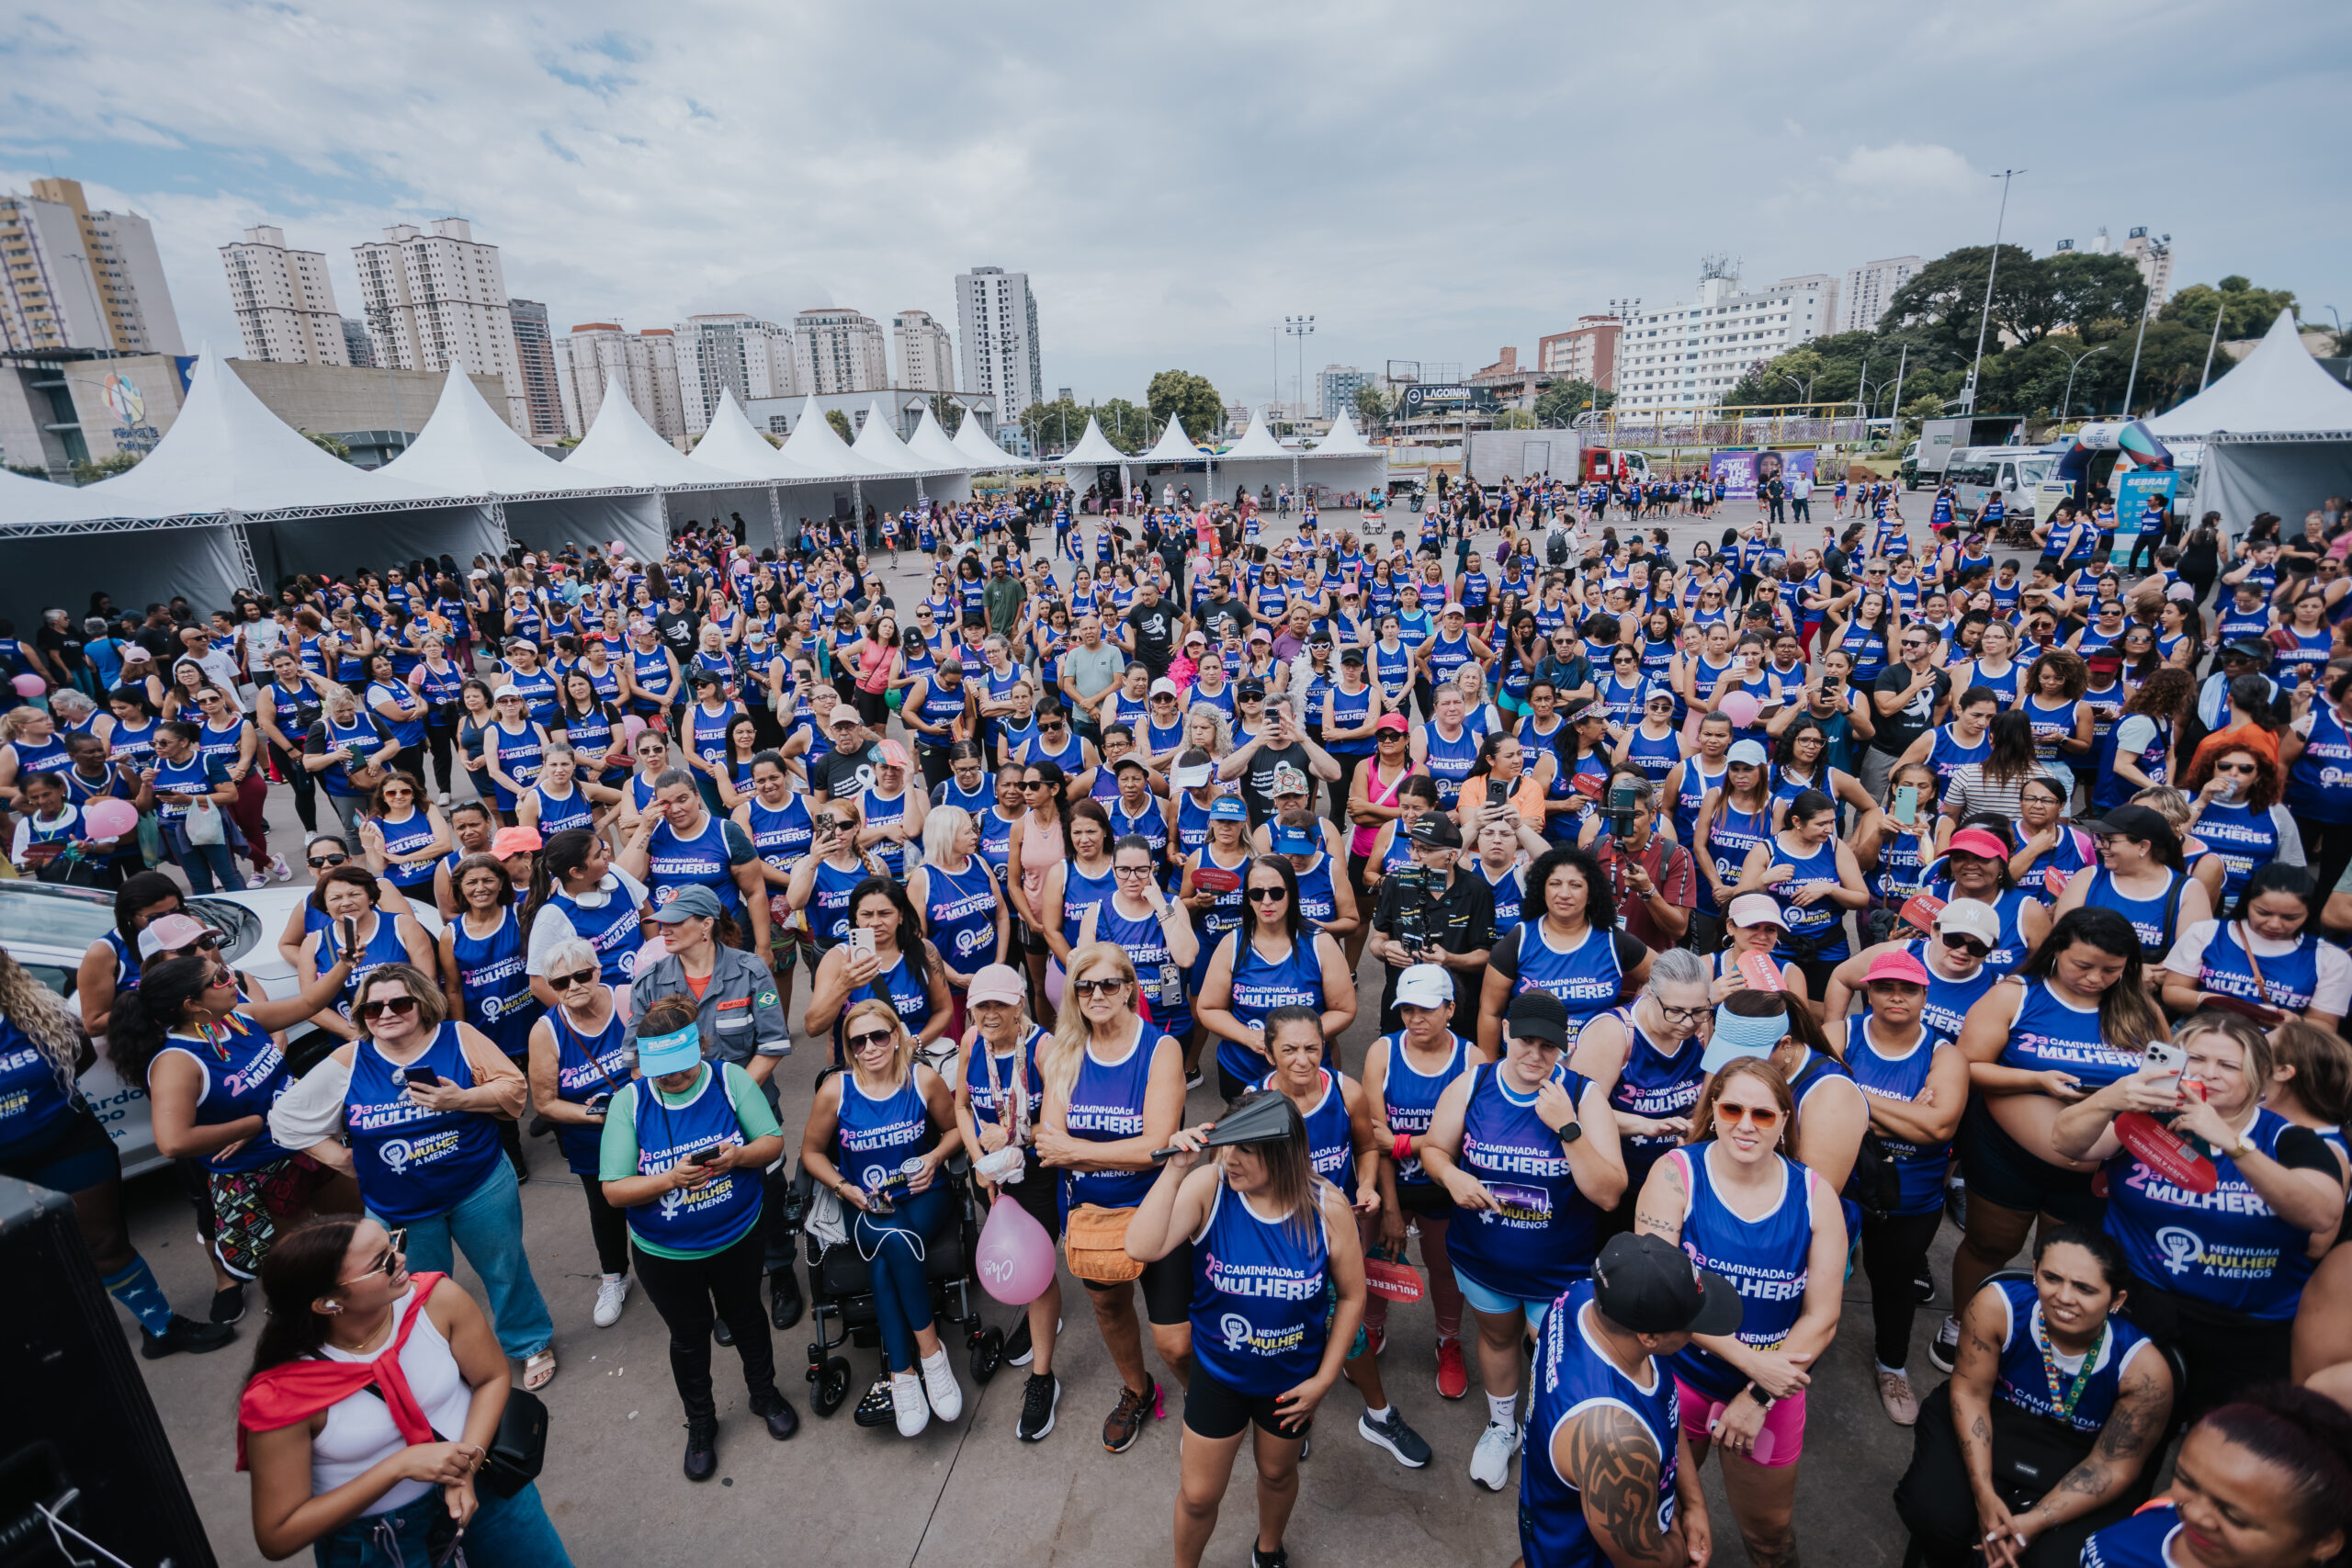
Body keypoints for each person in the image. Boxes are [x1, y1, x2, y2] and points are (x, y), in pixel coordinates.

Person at [266, 962, 558, 1391]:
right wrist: (344, 1161)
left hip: (478, 1186)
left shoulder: (458, 1037)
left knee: (505, 1268)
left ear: (422, 1003)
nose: (385, 1014)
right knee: (413, 1291)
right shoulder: (350, 1058)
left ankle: (529, 1341)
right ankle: (439, 1360)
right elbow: (286, 1120)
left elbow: (513, 1088)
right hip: (399, 1206)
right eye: (372, 1008)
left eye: (399, 1003)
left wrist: (463, 1097)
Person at [2052, 1009, 2346, 1424]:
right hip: (2139, 1303)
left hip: (2246, 1330)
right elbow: (2067, 1143)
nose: (2208, 1074)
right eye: (2196, 1059)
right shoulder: (2147, 1116)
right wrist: (2107, 1099)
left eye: (2228, 1065)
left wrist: (2230, 1143)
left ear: (2260, 1076)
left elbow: (2320, 1214)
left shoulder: (2288, 1138)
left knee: (2219, 1445)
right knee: (2114, 1426)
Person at [235, 1218, 577, 1565]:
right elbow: (277, 1536)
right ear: (328, 1303)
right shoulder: (281, 1394)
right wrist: (397, 1467)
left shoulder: (435, 1299)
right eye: (380, 1263)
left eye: (394, 1243)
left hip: (487, 1496)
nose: (399, 1259)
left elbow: (491, 1378)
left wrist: (468, 1469)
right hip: (380, 1542)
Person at [1125, 1089, 1366, 1568]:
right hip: (1219, 1376)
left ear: (1282, 1154)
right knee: (1197, 1495)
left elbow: (1354, 1295)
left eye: (1245, 1150)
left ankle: (1268, 1549)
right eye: (1226, 1145)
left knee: (1277, 1474)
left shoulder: (1327, 1207)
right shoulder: (1210, 1188)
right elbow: (1141, 1246)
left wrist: (1322, 1381)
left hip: (1291, 1384)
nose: (1229, 1159)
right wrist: (1175, 1169)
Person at [1634, 1056, 1846, 1568]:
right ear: (1712, 1112)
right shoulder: (1676, 1174)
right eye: (1731, 1109)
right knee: (1659, 1524)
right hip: (1680, 1379)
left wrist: (1757, 1393)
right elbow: (1660, 1297)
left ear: (1784, 1121)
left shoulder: (1815, 1196)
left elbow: (1822, 1317)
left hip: (1772, 1392)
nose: (1745, 1125)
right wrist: (1754, 1364)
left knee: (1769, 1536)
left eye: (1763, 1114)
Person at [1942, 908, 2166, 1374]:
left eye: (2111, 970)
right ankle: (1963, 1323)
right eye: (2082, 966)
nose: (2095, 978)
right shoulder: (2016, 995)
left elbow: (2164, 1077)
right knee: (1989, 1245)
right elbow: (1968, 1065)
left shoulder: (2139, 1009)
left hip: (2098, 1173)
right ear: (2056, 950)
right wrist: (2036, 1080)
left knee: (2067, 1259)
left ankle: (2045, 1334)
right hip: (2007, 1157)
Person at [1419, 989, 1627, 1493]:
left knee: (1558, 1356)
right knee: (1495, 1338)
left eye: (1549, 1047)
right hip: (1482, 1259)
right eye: (1526, 1041)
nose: (1535, 1056)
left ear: (1564, 1048)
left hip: (1558, 1271)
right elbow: (1432, 1148)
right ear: (1507, 1032)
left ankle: (1543, 1429)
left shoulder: (1583, 1095)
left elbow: (1609, 1194)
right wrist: (1451, 1177)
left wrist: (1569, 1129)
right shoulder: (1474, 1084)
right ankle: (1501, 1426)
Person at [0, 943, 235, 1356]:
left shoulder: (30, 1006)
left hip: (68, 1143)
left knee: (106, 1244)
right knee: (22, 1261)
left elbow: (81, 1053)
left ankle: (160, 1328)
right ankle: (50, 1347)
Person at [599, 995, 798, 1478]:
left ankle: (764, 1394)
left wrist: (737, 1157)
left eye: (683, 1069)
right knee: (688, 1338)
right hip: (666, 1254)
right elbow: (613, 1190)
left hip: (738, 1237)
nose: (673, 1080)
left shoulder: (730, 1080)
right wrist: (670, 1180)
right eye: (662, 1072)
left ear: (700, 1050)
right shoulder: (631, 1102)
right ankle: (701, 1423)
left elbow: (772, 1141)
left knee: (748, 1318)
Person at [1894, 1225, 2173, 1568]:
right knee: (1933, 1515)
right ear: (2036, 1271)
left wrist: (2038, 1520)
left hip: (2079, 1453)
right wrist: (1983, 1495)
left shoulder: (2143, 1369)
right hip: (1994, 1424)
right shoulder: (1997, 1307)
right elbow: (1969, 1394)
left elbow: (2114, 1464)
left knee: (2059, 1561)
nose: (2064, 1297)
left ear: (2117, 1300)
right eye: (2052, 1278)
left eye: (2084, 1288)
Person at [106, 950, 359, 1290]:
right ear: (192, 1004)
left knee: (363, 1227)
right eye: (220, 978)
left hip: (308, 1147)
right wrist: (253, 1125)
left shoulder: (238, 1019)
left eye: (225, 971)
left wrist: (345, 963)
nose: (233, 980)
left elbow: (308, 1003)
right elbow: (173, 1141)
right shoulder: (177, 1062)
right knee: (307, 1270)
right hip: (266, 1173)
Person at [1255, 1004, 1432, 1468]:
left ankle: (1378, 1415)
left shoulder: (1347, 1092)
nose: (1302, 1059)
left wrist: (1369, 1185)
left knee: (1348, 1331)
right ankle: (1289, 1420)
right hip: (1279, 1245)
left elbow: (1365, 1146)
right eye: (1289, 1049)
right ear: (1268, 1050)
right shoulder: (1256, 1106)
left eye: (1312, 1048)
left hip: (1339, 1238)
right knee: (1282, 1331)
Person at [1034, 941, 1190, 1455]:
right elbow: (1048, 1149)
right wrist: (1116, 1152)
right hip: (1089, 1215)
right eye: (1084, 985)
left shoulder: (1160, 1049)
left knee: (1175, 1341)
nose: (1096, 994)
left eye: (1108, 984)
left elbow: (1158, 1148)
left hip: (1158, 1210)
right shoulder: (1064, 1052)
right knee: (1109, 1307)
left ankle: (1202, 1396)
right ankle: (1139, 1391)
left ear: (1129, 989)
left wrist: (1080, 1149)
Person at [797, 996, 967, 1437]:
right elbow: (811, 1153)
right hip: (866, 1202)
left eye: (878, 1035)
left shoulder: (922, 1079)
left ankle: (903, 1373)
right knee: (893, 1243)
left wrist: (933, 1157)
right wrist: (842, 1187)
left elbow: (954, 1131)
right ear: (849, 1048)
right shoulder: (836, 1090)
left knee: (888, 1256)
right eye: (858, 1041)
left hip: (923, 1195)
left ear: (895, 1036)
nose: (870, 1046)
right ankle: (929, 1357)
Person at [1511, 1231, 1732, 1568]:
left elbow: (1666, 1406)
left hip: (1553, 1517)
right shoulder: (1612, 1438)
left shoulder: (1584, 1297)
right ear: (1651, 1338)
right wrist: (1678, 1542)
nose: (1695, 1335)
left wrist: (1695, 1503)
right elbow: (1646, 1562)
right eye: (1690, 1324)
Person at [951, 964, 1065, 1443]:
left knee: (1037, 1273)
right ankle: (1043, 1318)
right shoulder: (972, 1042)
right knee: (1014, 1261)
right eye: (982, 1005)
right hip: (992, 1173)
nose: (991, 1014)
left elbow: (1063, 1125)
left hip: (1039, 1173)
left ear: (1021, 1003)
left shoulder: (1044, 1049)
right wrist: (982, 1159)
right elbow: (960, 1105)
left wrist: (1017, 1136)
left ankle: (1044, 1378)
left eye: (1001, 1003)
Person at [2079, 1383, 2352, 1568]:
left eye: (2234, 1516)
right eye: (2187, 1481)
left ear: (2323, 1542)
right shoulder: (2153, 1520)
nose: (2195, 1514)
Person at [1361, 964, 1475, 1402]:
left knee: (1445, 1270)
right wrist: (1390, 1209)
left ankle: (1448, 1341)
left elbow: (1467, 1138)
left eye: (1426, 1008)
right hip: (1391, 1184)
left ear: (1450, 1008)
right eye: (1406, 1008)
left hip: (1444, 1188)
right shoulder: (1383, 1053)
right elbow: (1375, 1139)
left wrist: (1407, 1143)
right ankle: (1373, 1329)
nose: (1415, 1018)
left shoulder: (1471, 1060)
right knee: (1379, 1258)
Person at [525, 935, 638, 1329]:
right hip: (593, 1136)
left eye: (581, 975)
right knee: (604, 1210)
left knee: (660, 1196)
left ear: (597, 970)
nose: (573, 987)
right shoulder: (546, 1031)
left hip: (647, 1124)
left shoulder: (627, 1000)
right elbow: (545, 1102)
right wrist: (595, 1116)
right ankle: (614, 1278)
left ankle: (678, 1268)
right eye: (560, 983)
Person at [1569, 948, 1714, 1226]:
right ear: (1649, 995)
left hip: (1677, 1176)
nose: (1687, 1022)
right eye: (1675, 1011)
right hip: (1621, 1181)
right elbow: (1577, 1110)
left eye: (1697, 1010)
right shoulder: (1615, 1033)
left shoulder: (1699, 1025)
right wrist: (1644, 1124)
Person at [1194, 854, 1356, 1100]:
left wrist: (1296, 1039)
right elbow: (1208, 1008)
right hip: (1243, 1071)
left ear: (1291, 894)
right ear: (1247, 898)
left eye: (1277, 893)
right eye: (1257, 894)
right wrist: (1247, 1036)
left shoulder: (1320, 943)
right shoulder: (1232, 944)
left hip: (1306, 1073)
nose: (1267, 901)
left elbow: (1344, 1010)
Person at [1477, 845, 1653, 1058]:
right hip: (1530, 1062)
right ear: (1542, 890)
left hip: (1595, 1061)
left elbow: (1664, 976)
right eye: (1555, 884)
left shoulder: (1613, 940)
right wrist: (1486, 1072)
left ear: (1591, 894)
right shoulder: (1518, 940)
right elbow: (1490, 1013)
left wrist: (1632, 1017)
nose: (1564, 893)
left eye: (1576, 885)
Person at [2161, 862, 2351, 1028]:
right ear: (2247, 903)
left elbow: (2325, 1025)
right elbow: (2172, 991)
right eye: (2263, 912)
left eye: (2290, 917)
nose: (2275, 924)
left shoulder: (2330, 958)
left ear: (2309, 913)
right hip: (2202, 1033)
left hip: (2277, 1047)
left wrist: (2295, 1022)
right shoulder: (2206, 932)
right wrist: (2216, 1002)